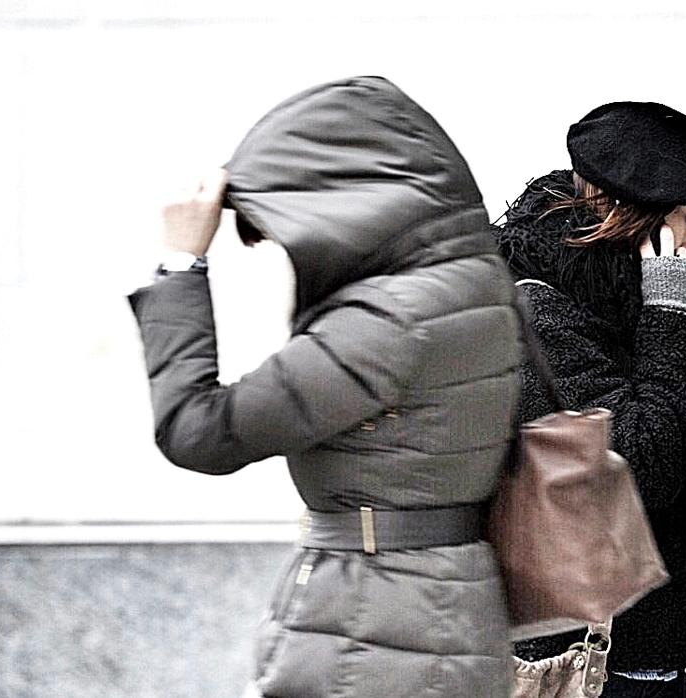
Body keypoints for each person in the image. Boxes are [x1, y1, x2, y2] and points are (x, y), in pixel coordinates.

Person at [127, 76, 520, 697]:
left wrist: (182, 265)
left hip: (378, 627)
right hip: (443, 607)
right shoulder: (476, 285)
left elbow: (197, 432)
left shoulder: (390, 322)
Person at [495, 101, 686, 697]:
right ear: (631, 215)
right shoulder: (536, 309)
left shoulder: (627, 292)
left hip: (642, 655)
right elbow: (637, 464)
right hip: (583, 663)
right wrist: (671, 314)